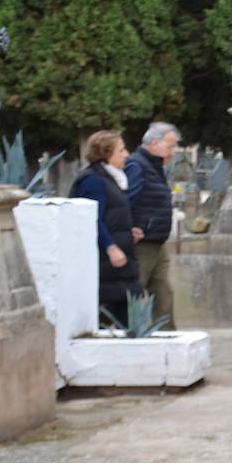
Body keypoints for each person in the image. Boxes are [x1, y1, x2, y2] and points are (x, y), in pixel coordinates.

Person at [69, 131, 143, 324]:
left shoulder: (111, 178)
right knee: (110, 316)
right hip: (105, 263)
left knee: (124, 312)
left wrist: (128, 231)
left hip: (116, 265)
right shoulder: (93, 180)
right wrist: (110, 246)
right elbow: (92, 218)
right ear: (105, 153)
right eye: (121, 150)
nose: (127, 154)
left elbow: (111, 216)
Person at [125, 122, 179, 329]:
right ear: (154, 143)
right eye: (170, 147)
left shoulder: (156, 167)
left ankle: (166, 336)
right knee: (135, 292)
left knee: (164, 292)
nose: (173, 153)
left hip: (157, 240)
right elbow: (126, 199)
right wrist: (129, 227)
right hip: (141, 242)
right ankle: (131, 334)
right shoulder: (137, 165)